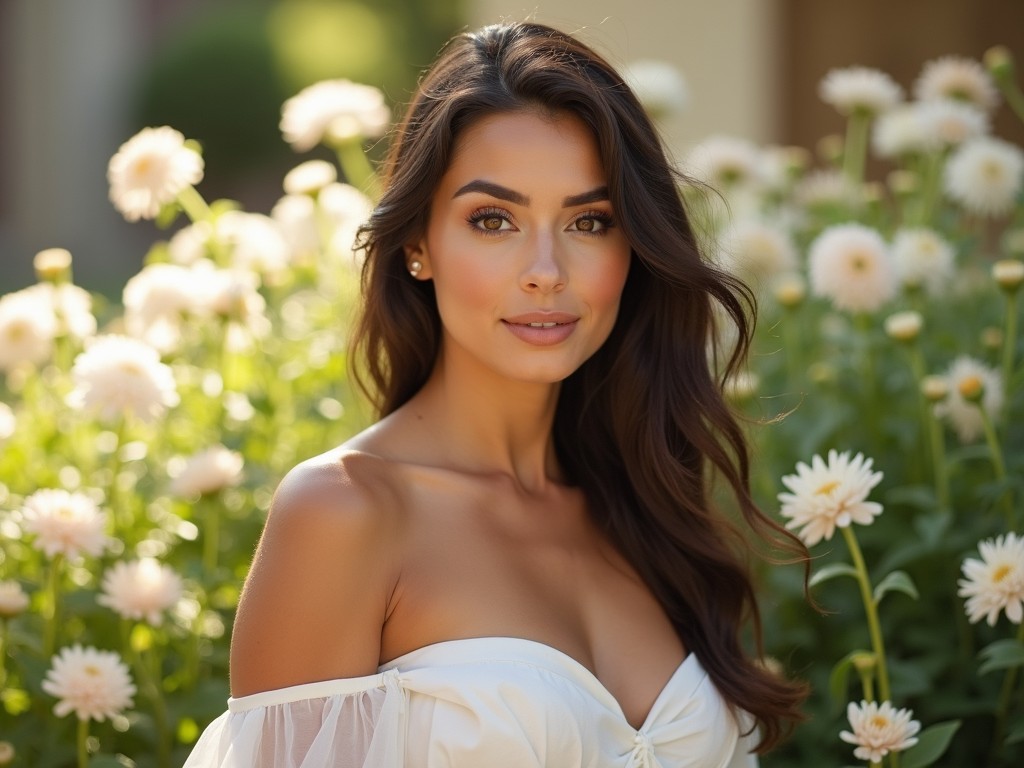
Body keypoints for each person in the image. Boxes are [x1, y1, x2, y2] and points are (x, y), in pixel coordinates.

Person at [183, 20, 807, 768]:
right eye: (493, 220)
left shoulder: (645, 505)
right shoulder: (345, 512)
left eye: (589, 221)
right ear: (418, 245)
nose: (546, 270)